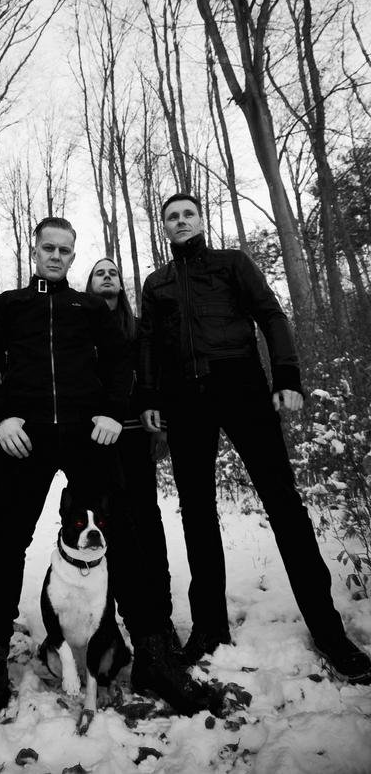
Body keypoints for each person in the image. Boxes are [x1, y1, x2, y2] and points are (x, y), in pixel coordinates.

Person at [0, 216, 214, 738]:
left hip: (85, 435)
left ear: (73, 256)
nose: (55, 256)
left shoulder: (88, 307)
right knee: (0, 543)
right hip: (25, 437)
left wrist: (110, 411)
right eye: (48, 248)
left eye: (64, 250)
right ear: (35, 251)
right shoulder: (10, 305)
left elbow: (120, 361)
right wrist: (0, 417)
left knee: (125, 536)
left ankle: (152, 653)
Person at [138, 192, 371, 683]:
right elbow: (151, 345)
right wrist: (151, 396)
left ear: (200, 220)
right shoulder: (157, 282)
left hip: (241, 385)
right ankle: (208, 628)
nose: (180, 221)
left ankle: (329, 631)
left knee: (283, 503)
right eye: (172, 217)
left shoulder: (232, 264)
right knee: (197, 512)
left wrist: (287, 376)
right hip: (185, 400)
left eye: (187, 214)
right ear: (164, 227)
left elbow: (271, 315)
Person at [85, 257, 175, 638]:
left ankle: (160, 615)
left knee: (146, 520)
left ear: (121, 285)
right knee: (108, 524)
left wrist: (161, 429)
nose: (107, 277)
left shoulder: (137, 329)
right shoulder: (79, 326)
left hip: (136, 435)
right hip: (94, 440)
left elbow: (156, 378)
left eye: (113, 273)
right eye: (99, 273)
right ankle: (110, 617)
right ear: (90, 284)